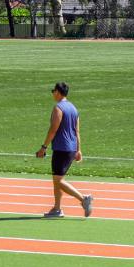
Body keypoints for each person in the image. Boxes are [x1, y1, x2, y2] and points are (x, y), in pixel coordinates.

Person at [35, 82, 93, 218]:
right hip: (70, 148)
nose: (52, 94)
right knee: (57, 178)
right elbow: (77, 131)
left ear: (58, 92)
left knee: (58, 180)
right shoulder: (73, 108)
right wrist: (79, 150)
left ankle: (83, 199)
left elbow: (53, 129)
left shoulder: (58, 108)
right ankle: (57, 208)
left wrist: (43, 147)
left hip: (62, 148)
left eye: (53, 91)